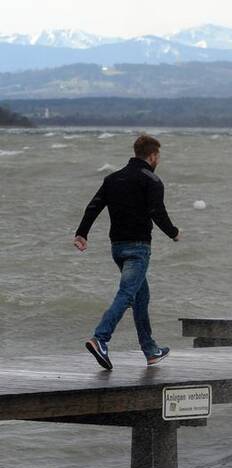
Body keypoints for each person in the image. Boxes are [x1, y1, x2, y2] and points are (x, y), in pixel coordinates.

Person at [73, 133, 181, 369]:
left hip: (117, 247)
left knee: (141, 296)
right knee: (127, 294)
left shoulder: (113, 179)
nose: (158, 159)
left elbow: (94, 206)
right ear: (152, 156)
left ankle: (151, 350)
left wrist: (82, 233)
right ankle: (100, 339)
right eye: (158, 156)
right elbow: (157, 212)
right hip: (138, 248)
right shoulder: (151, 180)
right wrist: (174, 233)